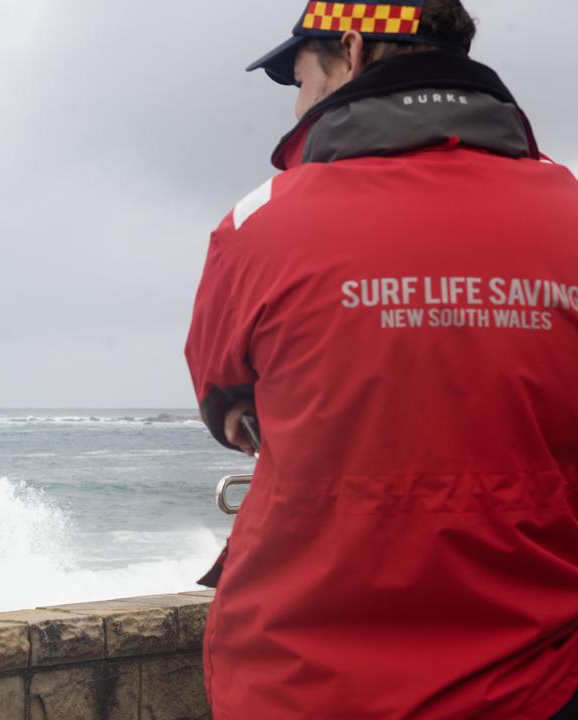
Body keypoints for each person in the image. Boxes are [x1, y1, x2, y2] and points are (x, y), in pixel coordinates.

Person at [184, 1, 578, 718]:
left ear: (355, 52)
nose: (298, 105)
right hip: (538, 681)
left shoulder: (258, 225)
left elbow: (227, 403)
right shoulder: (572, 209)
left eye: (301, 79)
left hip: (300, 683)